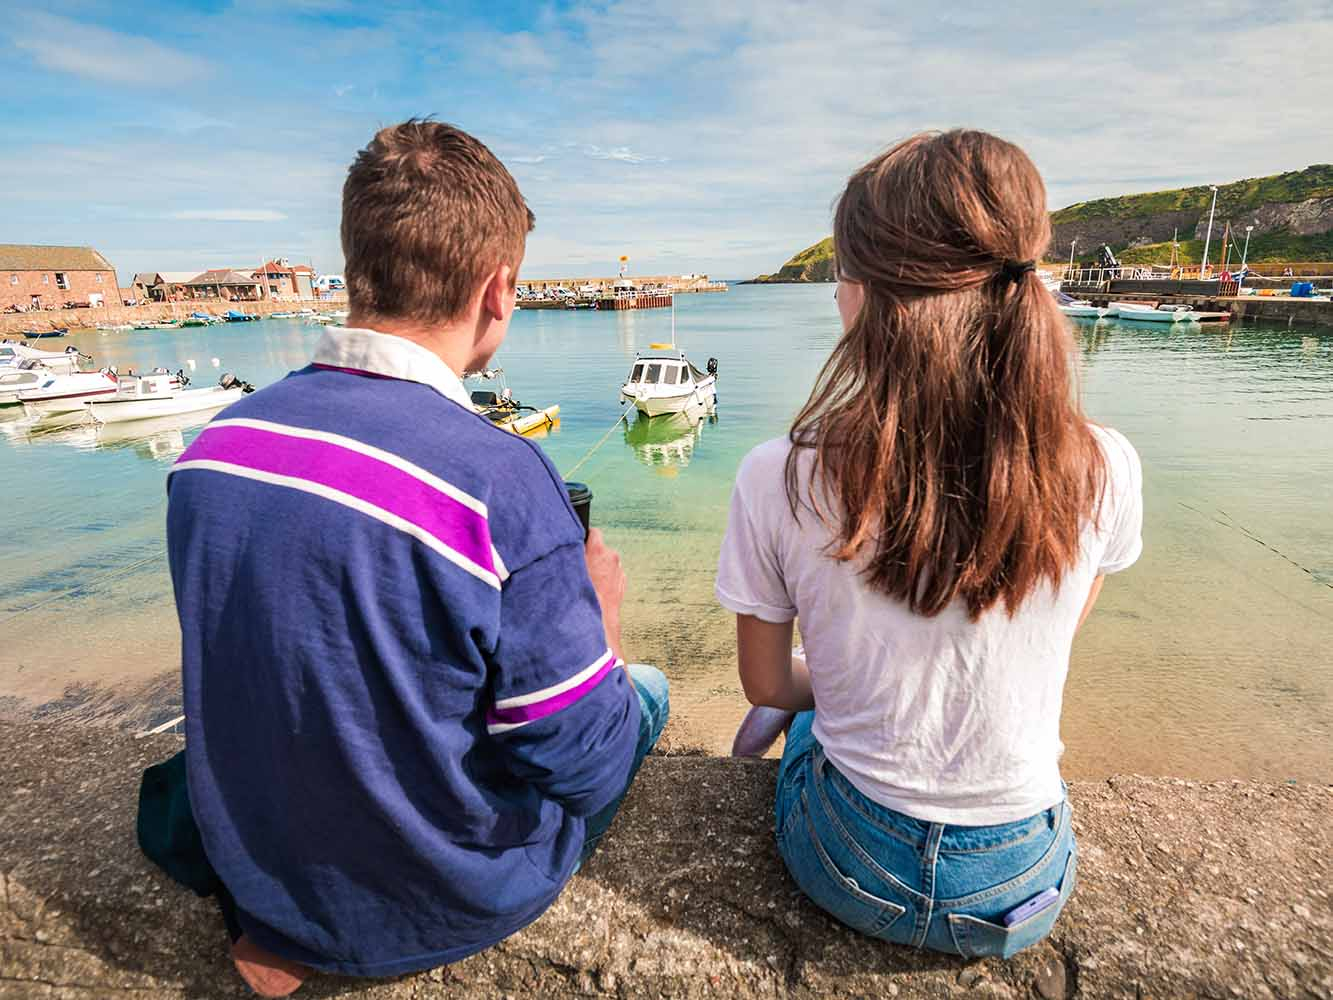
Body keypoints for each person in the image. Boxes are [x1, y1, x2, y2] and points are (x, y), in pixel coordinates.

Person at [147, 119, 668, 996]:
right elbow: (583, 764)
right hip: (437, 897)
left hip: (259, 867)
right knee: (642, 695)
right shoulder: (498, 476)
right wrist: (602, 626)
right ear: (498, 290)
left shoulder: (213, 447)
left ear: (357, 265)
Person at [716, 130, 1142, 959]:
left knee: (799, 719)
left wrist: (846, 683)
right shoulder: (1105, 466)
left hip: (850, 864)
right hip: (1021, 881)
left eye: (839, 276)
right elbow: (1047, 639)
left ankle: (762, 745)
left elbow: (765, 678)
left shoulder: (781, 473)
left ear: (868, 293)